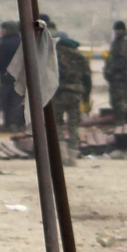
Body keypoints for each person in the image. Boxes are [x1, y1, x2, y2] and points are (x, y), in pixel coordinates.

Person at [48, 17, 90, 165]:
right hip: (76, 94)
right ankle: (73, 156)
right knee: (73, 126)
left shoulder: (54, 54)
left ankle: (62, 154)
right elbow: (87, 77)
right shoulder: (79, 56)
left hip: (59, 94)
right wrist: (86, 95)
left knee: (56, 124)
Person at [0, 20, 23, 128]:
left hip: (5, 75)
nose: (1, 31)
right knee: (17, 99)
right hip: (20, 76)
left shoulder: (3, 43)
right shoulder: (21, 42)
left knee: (5, 99)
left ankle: (7, 122)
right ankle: (15, 123)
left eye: (3, 29)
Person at [103, 21, 127, 120]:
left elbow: (122, 59)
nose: (117, 32)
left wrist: (111, 70)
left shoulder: (125, 41)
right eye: (116, 30)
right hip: (115, 75)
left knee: (118, 100)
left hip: (120, 75)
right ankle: (118, 119)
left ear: (123, 30)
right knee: (115, 100)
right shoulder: (118, 40)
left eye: (119, 30)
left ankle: (121, 120)